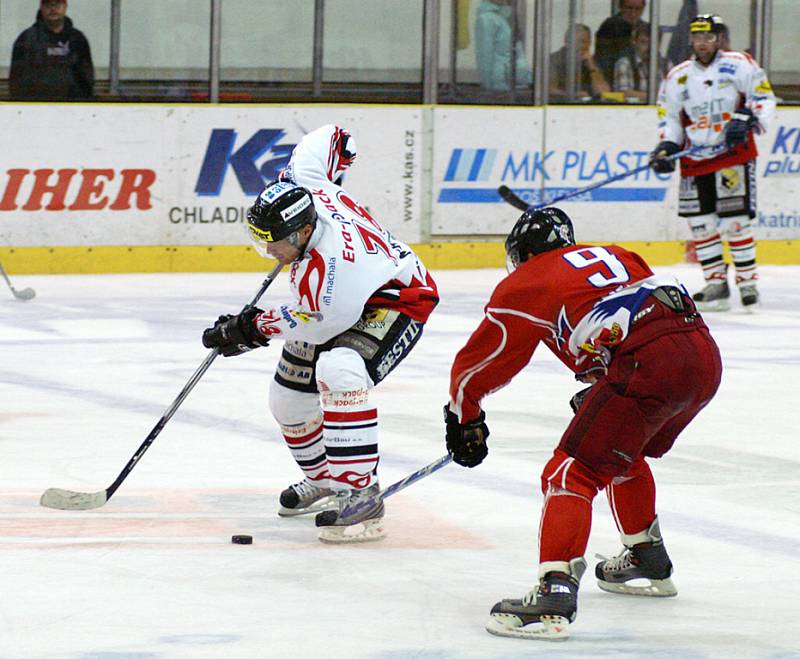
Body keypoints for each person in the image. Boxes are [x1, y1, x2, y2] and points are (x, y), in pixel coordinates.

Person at [443, 207, 722, 640]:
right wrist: (605, 383)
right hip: (703, 356)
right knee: (618, 448)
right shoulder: (618, 255)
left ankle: (553, 594)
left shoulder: (526, 281)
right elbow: (630, 315)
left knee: (571, 473)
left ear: (527, 252)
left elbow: (479, 365)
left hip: (647, 363)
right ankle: (646, 554)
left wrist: (465, 416)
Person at [202, 125, 439, 544]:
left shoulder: (331, 272)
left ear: (305, 232)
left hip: (395, 299)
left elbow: (319, 321)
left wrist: (250, 328)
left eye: (274, 243)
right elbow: (329, 137)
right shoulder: (304, 184)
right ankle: (327, 480)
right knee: (288, 400)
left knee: (340, 367)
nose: (269, 253)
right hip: (337, 301)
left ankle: (361, 494)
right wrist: (344, 151)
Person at [650, 14, 776, 311]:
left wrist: (747, 118)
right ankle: (716, 283)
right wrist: (668, 144)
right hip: (695, 160)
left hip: (732, 157)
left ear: (719, 38)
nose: (702, 43)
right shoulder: (678, 75)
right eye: (696, 37)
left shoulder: (740, 63)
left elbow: (763, 97)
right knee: (701, 225)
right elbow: (669, 116)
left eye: (708, 37)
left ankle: (747, 284)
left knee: (736, 222)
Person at [9, 0, 94, 101]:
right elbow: (16, 80)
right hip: (36, 108)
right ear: (41, 6)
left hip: (72, 108)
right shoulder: (26, 39)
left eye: (57, 3)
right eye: (48, 4)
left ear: (65, 6)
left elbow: (87, 79)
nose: (53, 8)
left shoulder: (78, 39)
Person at [474, 0, 532, 91]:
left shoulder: (506, 16)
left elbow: (517, 50)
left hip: (515, 81)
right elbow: (484, 55)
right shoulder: (486, 19)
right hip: (498, 83)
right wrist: (488, 85)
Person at [549, 25, 609, 101]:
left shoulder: (592, 61)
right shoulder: (554, 60)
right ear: (566, 42)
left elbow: (603, 93)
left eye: (585, 42)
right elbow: (549, 90)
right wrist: (573, 95)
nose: (581, 46)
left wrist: (592, 67)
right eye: (576, 41)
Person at [595, 0, 647, 84]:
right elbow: (603, 60)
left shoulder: (644, 28)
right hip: (614, 79)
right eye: (629, 8)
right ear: (621, 7)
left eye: (638, 9)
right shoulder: (609, 26)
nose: (633, 13)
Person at [613, 22, 666, 103]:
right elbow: (624, 93)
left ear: (659, 44)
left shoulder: (667, 65)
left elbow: (676, 93)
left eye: (653, 43)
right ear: (635, 42)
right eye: (643, 42)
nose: (649, 47)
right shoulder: (625, 64)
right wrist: (658, 96)